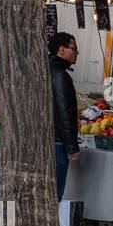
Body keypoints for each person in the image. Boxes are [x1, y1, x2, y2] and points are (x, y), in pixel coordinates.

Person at [48, 33, 80, 201]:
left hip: (51, 138)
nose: (77, 53)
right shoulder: (60, 76)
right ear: (61, 50)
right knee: (56, 193)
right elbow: (63, 111)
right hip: (58, 141)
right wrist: (72, 146)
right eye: (73, 49)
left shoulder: (49, 70)